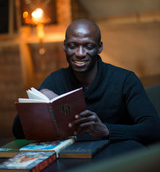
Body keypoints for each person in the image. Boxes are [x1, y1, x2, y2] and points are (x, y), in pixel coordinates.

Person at [12, 19, 160, 156]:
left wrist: (107, 130)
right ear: (64, 46)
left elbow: (153, 129)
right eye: (72, 46)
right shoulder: (55, 80)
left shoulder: (125, 80)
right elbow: (18, 132)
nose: (80, 54)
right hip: (74, 159)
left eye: (88, 46)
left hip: (117, 158)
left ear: (99, 47)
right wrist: (35, 106)